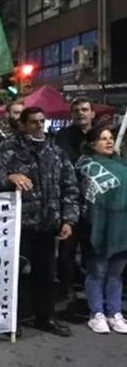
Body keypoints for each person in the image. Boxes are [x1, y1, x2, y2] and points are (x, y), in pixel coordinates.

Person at [0, 106, 79, 337]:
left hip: (47, 225)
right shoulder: (11, 149)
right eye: (33, 122)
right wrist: (9, 177)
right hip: (20, 227)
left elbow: (70, 187)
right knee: (13, 277)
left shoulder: (55, 152)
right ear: (24, 124)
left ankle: (46, 318)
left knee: (45, 277)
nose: (39, 126)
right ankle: (11, 321)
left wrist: (68, 219)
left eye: (42, 121)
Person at [75, 125, 127, 334]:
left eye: (110, 138)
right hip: (98, 226)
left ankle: (114, 312)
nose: (108, 142)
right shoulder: (85, 166)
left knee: (116, 273)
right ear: (91, 143)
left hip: (122, 227)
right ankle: (96, 312)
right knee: (98, 271)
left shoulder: (122, 164)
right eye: (102, 138)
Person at [55, 97, 95, 298]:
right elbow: (67, 159)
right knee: (68, 248)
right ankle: (67, 285)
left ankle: (92, 285)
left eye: (85, 109)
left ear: (92, 113)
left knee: (92, 246)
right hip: (71, 200)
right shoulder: (64, 135)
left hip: (95, 202)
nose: (81, 113)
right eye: (77, 110)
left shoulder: (100, 135)